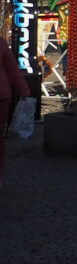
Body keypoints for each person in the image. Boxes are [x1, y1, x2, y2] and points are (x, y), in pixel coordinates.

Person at [1, 27, 30, 189]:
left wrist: (23, 90)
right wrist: (24, 91)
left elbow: (12, 70)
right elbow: (13, 71)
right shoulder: (1, 44)